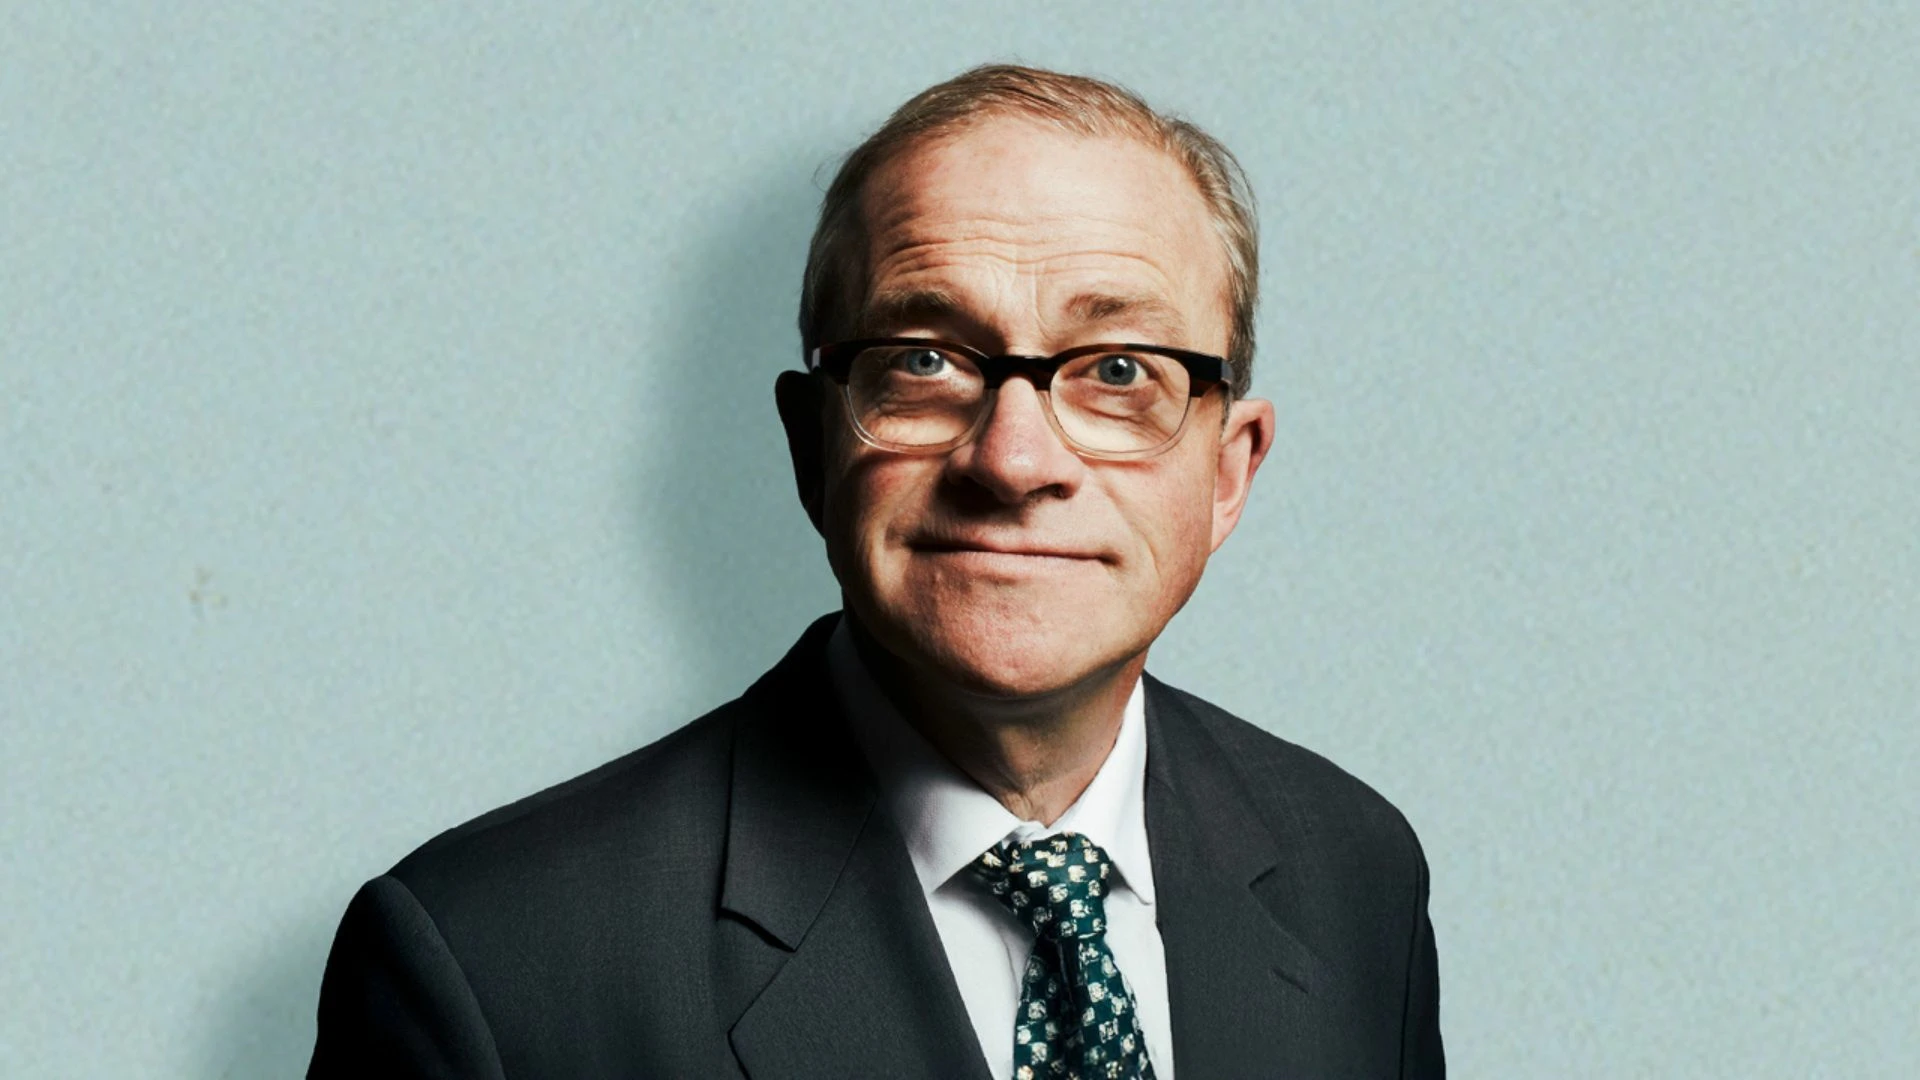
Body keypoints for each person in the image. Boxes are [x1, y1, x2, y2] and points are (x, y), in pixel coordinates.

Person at [309, 64, 1444, 1079]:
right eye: (925, 360)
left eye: (1118, 371)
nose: (1014, 461)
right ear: (813, 446)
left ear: (1230, 470)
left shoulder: (1356, 872)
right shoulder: (492, 967)